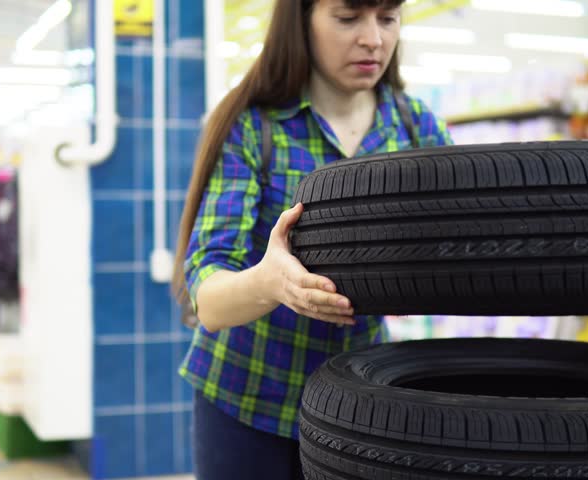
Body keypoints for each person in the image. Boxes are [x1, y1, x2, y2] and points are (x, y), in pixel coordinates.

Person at [172, 0, 452, 478]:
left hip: (360, 406)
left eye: (387, 18)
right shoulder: (253, 127)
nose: (374, 39)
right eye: (348, 18)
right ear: (300, 22)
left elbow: (455, 242)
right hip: (247, 398)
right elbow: (209, 302)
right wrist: (271, 283)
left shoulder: (414, 128)